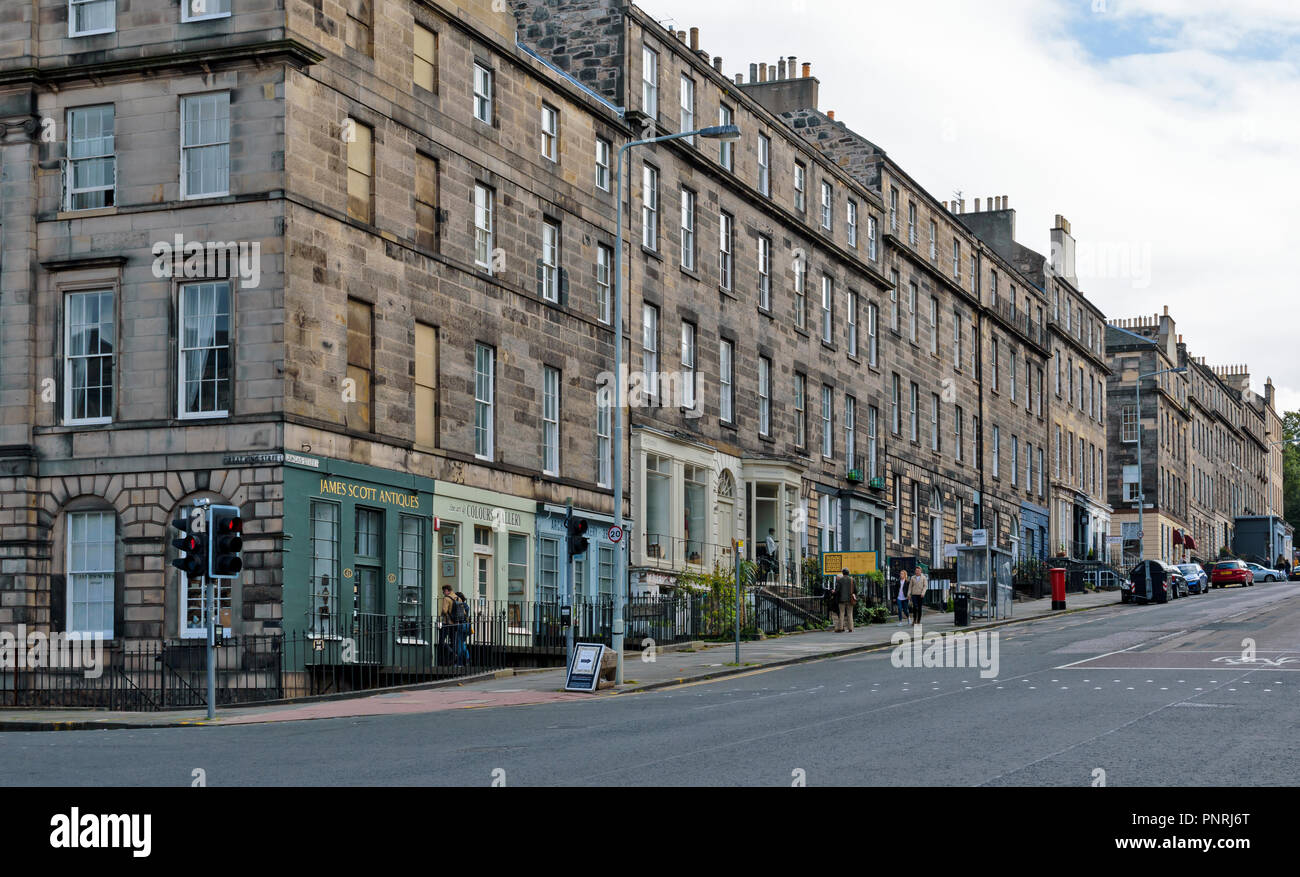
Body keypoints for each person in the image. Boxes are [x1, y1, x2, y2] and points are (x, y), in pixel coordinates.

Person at [438, 584, 456, 665]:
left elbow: (444, 610)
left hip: (447, 622)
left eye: (444, 591)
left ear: (447, 590)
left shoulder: (446, 598)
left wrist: (441, 615)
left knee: (441, 641)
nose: (443, 593)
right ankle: (452, 660)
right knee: (453, 641)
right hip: (455, 623)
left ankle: (450, 653)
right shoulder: (457, 597)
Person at [834, 567, 857, 633]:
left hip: (841, 600)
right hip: (850, 599)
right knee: (850, 613)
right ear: (848, 573)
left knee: (842, 613)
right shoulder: (852, 580)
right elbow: (856, 590)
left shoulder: (840, 580)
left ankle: (840, 628)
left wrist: (834, 592)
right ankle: (850, 628)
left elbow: (837, 591)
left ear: (842, 573)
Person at [453, 591, 472, 667]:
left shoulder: (459, 605)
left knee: (459, 644)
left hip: (461, 625)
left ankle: (460, 663)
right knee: (462, 643)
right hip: (467, 625)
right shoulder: (466, 605)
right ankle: (467, 657)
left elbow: (459, 617)